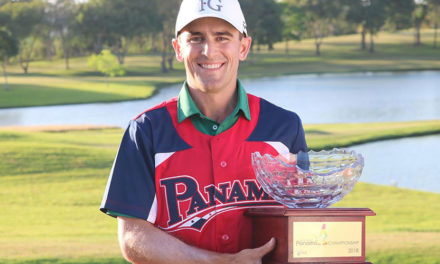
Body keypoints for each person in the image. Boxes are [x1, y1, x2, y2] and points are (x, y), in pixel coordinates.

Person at [100, 0, 308, 263]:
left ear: (243, 47)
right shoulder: (146, 130)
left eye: (222, 38)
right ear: (177, 49)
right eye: (196, 39)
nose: (209, 51)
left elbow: (304, 218)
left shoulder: (283, 126)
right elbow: (132, 237)